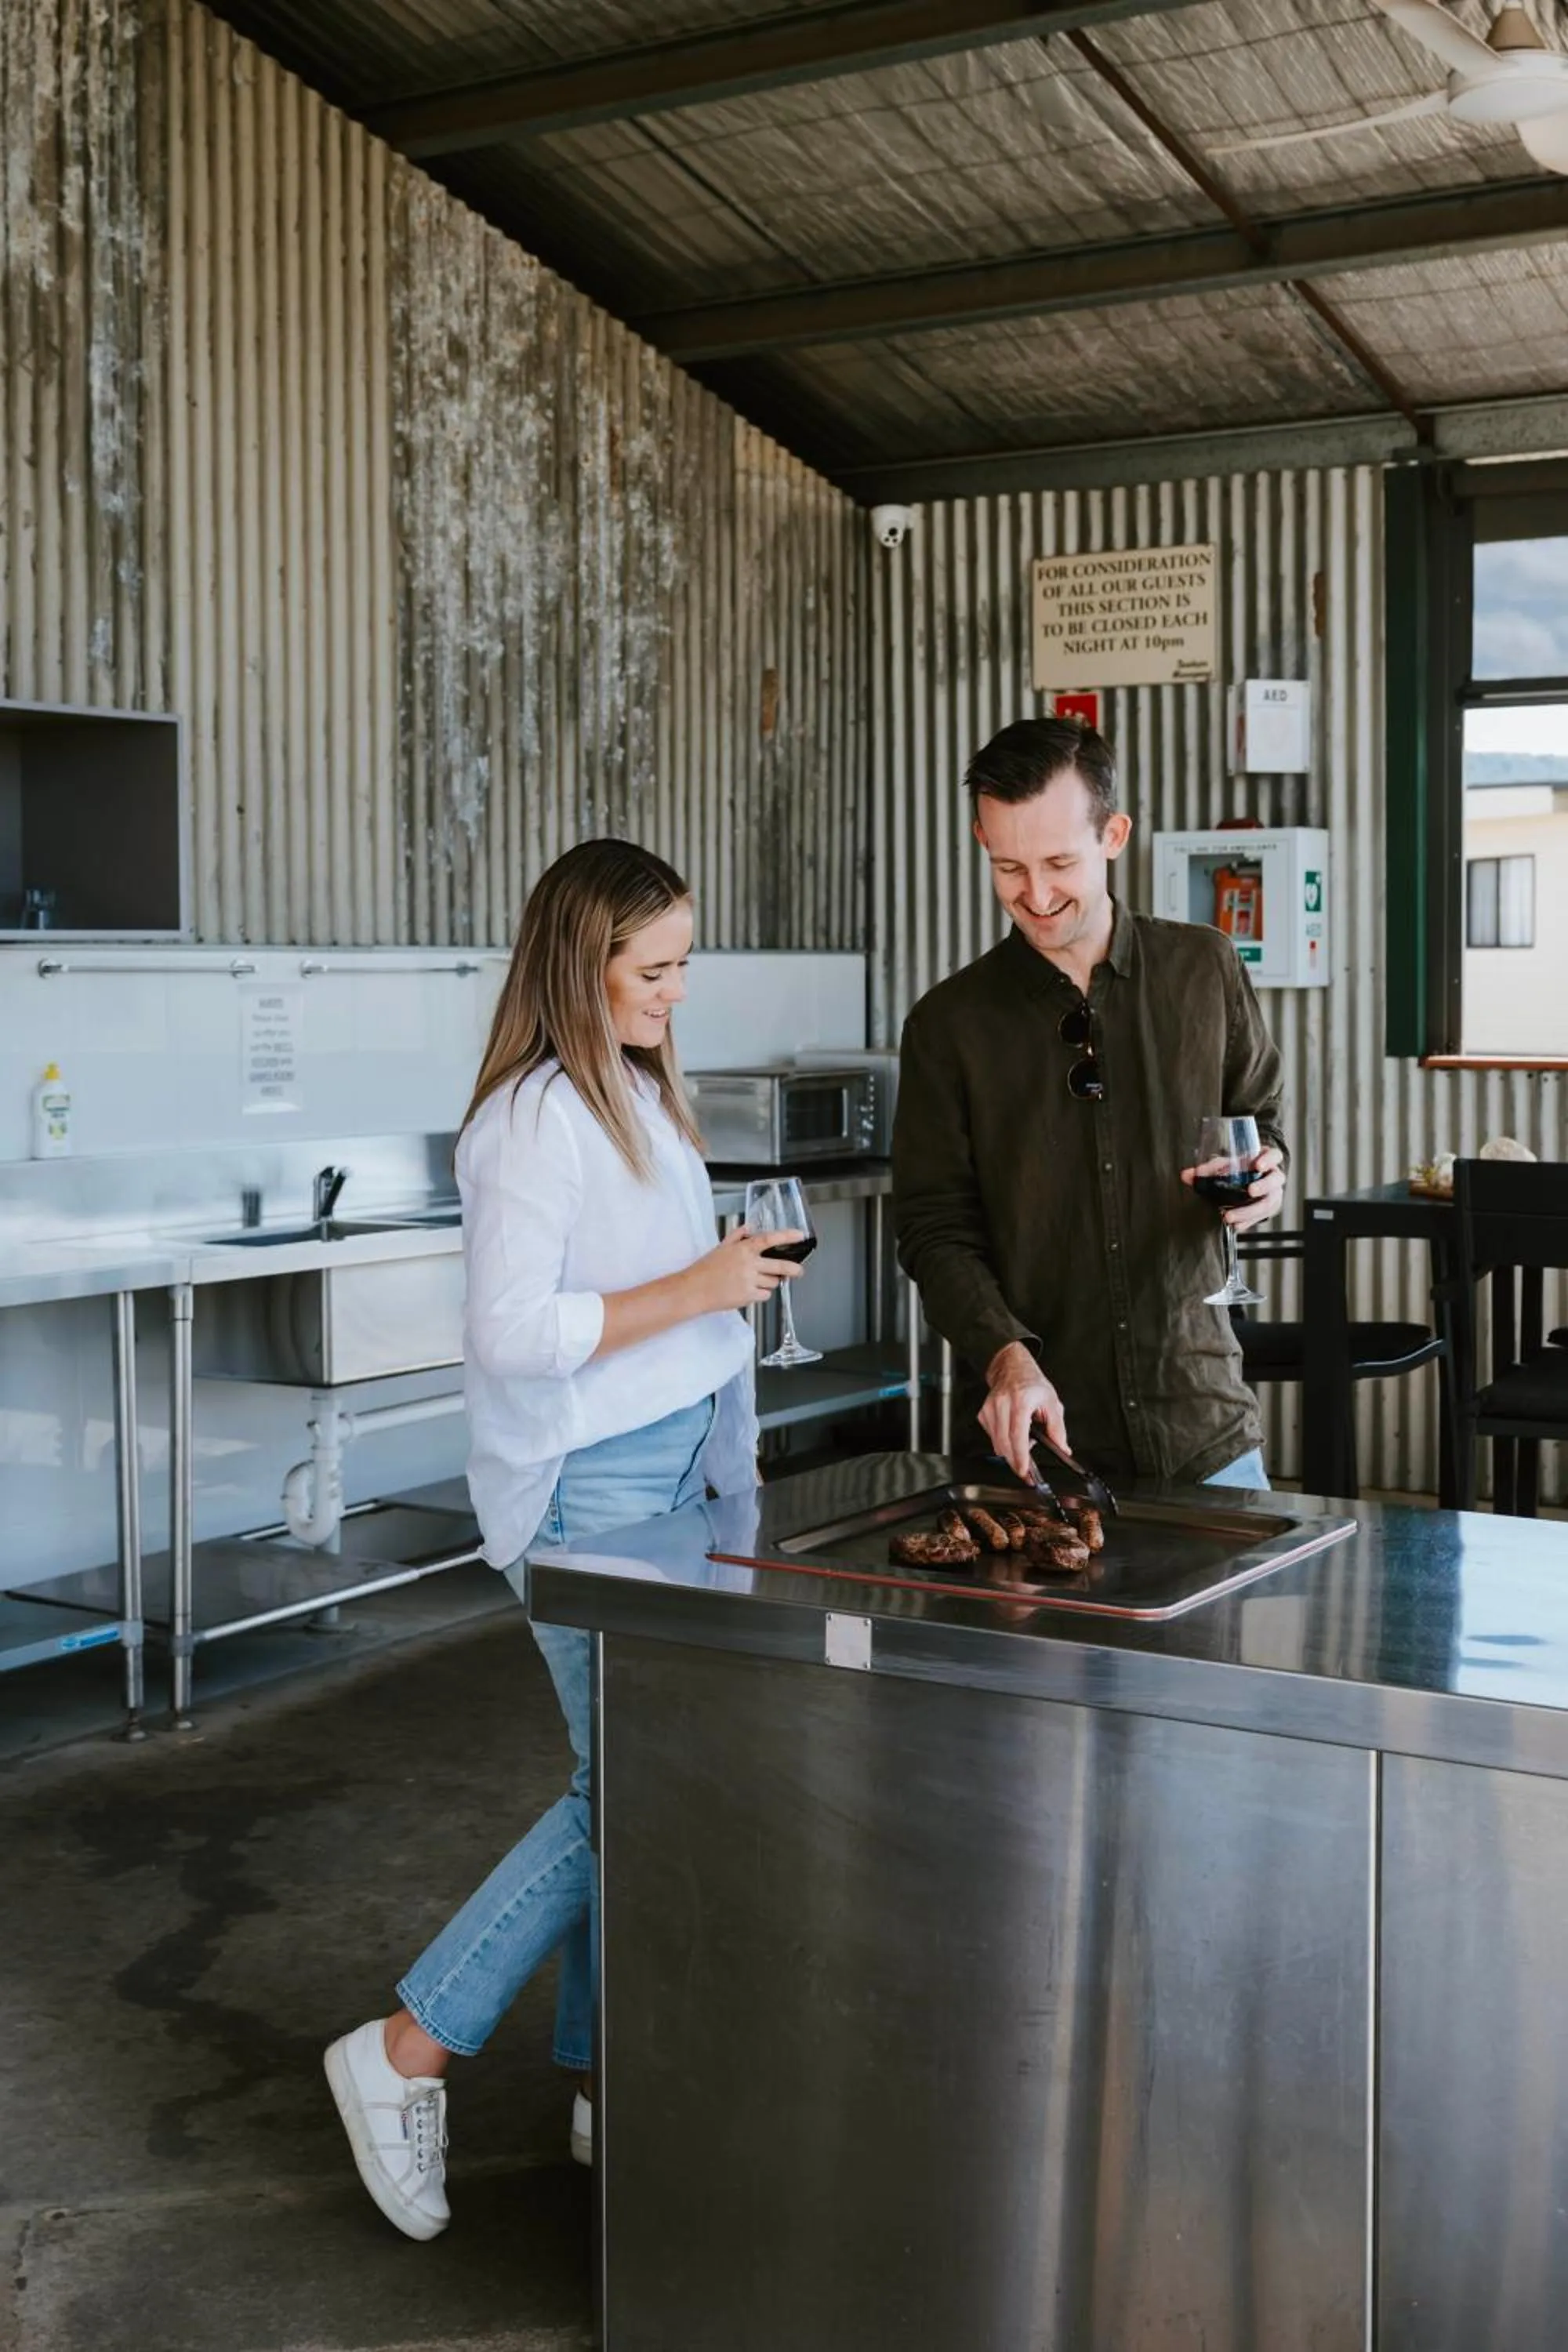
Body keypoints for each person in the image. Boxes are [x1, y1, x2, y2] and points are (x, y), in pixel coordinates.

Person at [325, 839, 800, 2241]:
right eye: (652, 971)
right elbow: (513, 1336)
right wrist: (701, 1282)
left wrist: (709, 1286)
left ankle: (601, 2084)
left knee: (636, 1783)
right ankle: (408, 2048)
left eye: (682, 966)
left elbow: (634, 1286)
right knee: (633, 1791)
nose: (675, 991)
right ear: (577, 966)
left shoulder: (635, 1093)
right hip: (590, 1483)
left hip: (677, 1464)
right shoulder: (528, 1119)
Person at [892, 716, 1287, 1492]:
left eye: (1058, 862)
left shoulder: (1203, 968)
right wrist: (1004, 1355)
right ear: (980, 840)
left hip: (1202, 1425)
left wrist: (1268, 1175)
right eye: (1008, 867)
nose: (1034, 896)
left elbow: (1258, 1118)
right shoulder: (947, 1022)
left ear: (1113, 834)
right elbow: (932, 1229)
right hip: (1029, 1448)